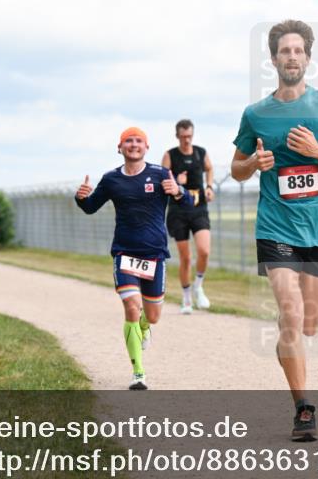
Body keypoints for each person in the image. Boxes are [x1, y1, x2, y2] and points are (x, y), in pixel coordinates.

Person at [231, 20, 318, 442]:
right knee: (289, 313)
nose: (291, 57)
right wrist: (254, 164)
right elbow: (235, 169)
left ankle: (290, 340)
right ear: (273, 59)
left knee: (308, 324)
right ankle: (303, 407)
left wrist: (317, 151)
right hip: (275, 227)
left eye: (298, 51)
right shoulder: (255, 115)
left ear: (307, 58)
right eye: (284, 51)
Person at [75, 127, 192, 390]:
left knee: (152, 316)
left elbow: (189, 205)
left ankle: (145, 326)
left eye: (139, 140)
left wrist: (178, 191)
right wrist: (80, 198)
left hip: (155, 255)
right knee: (131, 306)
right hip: (124, 253)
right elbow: (90, 207)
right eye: (128, 141)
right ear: (120, 148)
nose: (133, 144)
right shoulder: (111, 179)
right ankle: (138, 372)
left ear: (146, 147)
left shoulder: (161, 175)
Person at [162, 119, 215, 314]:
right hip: (178, 211)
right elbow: (163, 182)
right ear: (177, 136)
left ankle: (198, 286)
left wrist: (209, 187)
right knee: (186, 257)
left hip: (199, 207)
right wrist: (177, 181)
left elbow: (209, 168)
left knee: (204, 251)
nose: (186, 140)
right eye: (183, 137)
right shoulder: (170, 156)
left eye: (189, 136)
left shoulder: (201, 152)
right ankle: (186, 300)